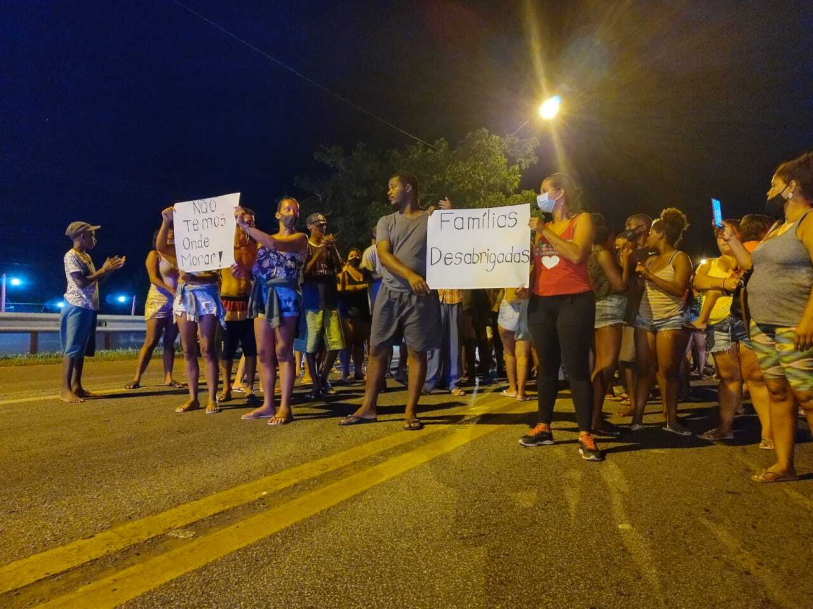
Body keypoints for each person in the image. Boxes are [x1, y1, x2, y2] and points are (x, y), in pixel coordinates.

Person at [722, 152, 813, 482]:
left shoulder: (808, 221)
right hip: (763, 324)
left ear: (792, 186)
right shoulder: (777, 227)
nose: (768, 191)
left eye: (773, 185)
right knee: (777, 391)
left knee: (808, 396)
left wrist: (808, 320)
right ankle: (784, 465)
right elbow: (751, 266)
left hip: (794, 323)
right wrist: (733, 241)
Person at [340, 172, 448, 429]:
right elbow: (384, 255)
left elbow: (454, 244)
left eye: (393, 186)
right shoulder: (386, 221)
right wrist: (410, 275)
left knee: (417, 352)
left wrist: (449, 218)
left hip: (421, 296)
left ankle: (411, 411)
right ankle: (368, 407)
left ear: (408, 188)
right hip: (389, 293)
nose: (388, 191)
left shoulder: (432, 220)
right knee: (377, 349)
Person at [517, 173, 603, 461]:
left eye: (545, 190)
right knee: (546, 367)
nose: (540, 196)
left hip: (574, 300)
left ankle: (585, 434)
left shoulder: (582, 220)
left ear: (561, 193)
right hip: (542, 302)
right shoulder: (542, 229)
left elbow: (576, 254)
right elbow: (539, 265)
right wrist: (526, 282)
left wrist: (544, 230)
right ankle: (543, 427)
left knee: (576, 368)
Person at [694, 220, 772, 446]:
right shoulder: (710, 263)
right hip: (719, 324)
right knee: (728, 378)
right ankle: (725, 428)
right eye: (718, 236)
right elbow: (698, 281)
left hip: (746, 320)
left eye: (727, 234)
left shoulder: (749, 258)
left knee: (756, 378)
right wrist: (724, 282)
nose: (722, 238)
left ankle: (769, 434)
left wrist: (718, 284)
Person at [238, 197, 309, 425]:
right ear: (277, 214)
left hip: (286, 296)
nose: (292, 212)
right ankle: (268, 404)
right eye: (287, 208)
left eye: (296, 209)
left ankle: (285, 406)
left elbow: (276, 245)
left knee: (283, 351)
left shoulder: (300, 238)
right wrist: (244, 272)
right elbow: (259, 271)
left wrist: (246, 227)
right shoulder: (263, 242)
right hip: (263, 295)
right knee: (263, 352)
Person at [630, 208, 693, 435]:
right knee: (644, 370)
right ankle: (637, 419)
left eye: (651, 233)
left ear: (661, 234)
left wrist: (649, 276)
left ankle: (671, 421)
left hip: (670, 320)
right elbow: (641, 288)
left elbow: (679, 289)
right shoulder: (650, 259)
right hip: (645, 319)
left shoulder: (680, 258)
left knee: (668, 371)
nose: (647, 237)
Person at [157, 207, 224, 414]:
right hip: (185, 297)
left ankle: (212, 398)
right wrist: (166, 221)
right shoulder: (182, 251)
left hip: (207, 297)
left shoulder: (212, 249)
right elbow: (160, 247)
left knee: (207, 348)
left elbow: (215, 276)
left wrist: (195, 278)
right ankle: (193, 398)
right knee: (187, 349)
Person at [59, 222, 125, 403]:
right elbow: (81, 282)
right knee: (72, 348)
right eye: (91, 235)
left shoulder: (86, 256)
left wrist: (109, 270)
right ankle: (65, 390)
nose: (94, 239)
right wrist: (103, 269)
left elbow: (94, 281)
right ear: (82, 236)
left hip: (88, 306)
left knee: (81, 349)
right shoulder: (71, 256)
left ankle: (76, 386)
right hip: (77, 305)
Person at [588, 213, 631, 436]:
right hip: (608, 310)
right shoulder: (603, 254)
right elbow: (620, 285)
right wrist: (627, 264)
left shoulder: (589, 253)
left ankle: (592, 418)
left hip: (596, 309)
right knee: (606, 366)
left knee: (599, 365)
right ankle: (594, 420)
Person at [125, 230, 181, 389]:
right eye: (168, 238)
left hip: (176, 301)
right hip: (158, 300)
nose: (172, 241)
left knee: (170, 341)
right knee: (151, 341)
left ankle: (169, 378)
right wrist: (170, 290)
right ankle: (137, 378)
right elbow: (153, 278)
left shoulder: (180, 257)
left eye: (174, 238)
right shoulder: (155, 255)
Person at [299, 212, 346, 399]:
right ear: (309, 227)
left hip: (330, 300)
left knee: (335, 343)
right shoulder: (306, 246)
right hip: (311, 301)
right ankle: (315, 384)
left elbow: (339, 268)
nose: (322, 228)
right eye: (318, 226)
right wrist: (319, 251)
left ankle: (323, 377)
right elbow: (304, 272)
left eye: (324, 225)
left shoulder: (329, 246)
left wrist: (332, 249)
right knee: (311, 345)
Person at [219, 210, 260, 405]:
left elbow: (261, 275)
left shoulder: (256, 247)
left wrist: (248, 274)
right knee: (227, 348)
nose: (248, 225)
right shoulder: (224, 247)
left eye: (251, 222)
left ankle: (250, 387)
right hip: (228, 301)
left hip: (249, 301)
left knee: (250, 347)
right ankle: (226, 387)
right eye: (244, 221)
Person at [616, 214, 653, 415]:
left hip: (652, 308)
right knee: (627, 358)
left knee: (649, 361)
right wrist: (624, 254)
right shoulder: (628, 249)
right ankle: (633, 402)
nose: (627, 228)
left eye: (630, 224)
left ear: (643, 227)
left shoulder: (654, 249)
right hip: (631, 308)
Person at [424, 289, 466, 396]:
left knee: (454, 343)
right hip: (435, 298)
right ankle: (429, 382)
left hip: (455, 297)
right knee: (434, 343)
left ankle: (453, 383)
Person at [337, 247, 370, 382]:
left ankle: (358, 371)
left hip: (363, 310)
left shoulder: (365, 273)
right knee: (347, 343)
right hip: (349, 311)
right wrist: (362, 286)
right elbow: (341, 289)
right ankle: (345, 372)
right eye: (352, 255)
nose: (355, 257)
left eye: (357, 255)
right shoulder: (344, 274)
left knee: (360, 343)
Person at [497, 288, 531, 401]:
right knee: (523, 355)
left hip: (509, 304)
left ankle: (512, 388)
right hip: (527, 305)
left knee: (509, 353)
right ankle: (521, 392)